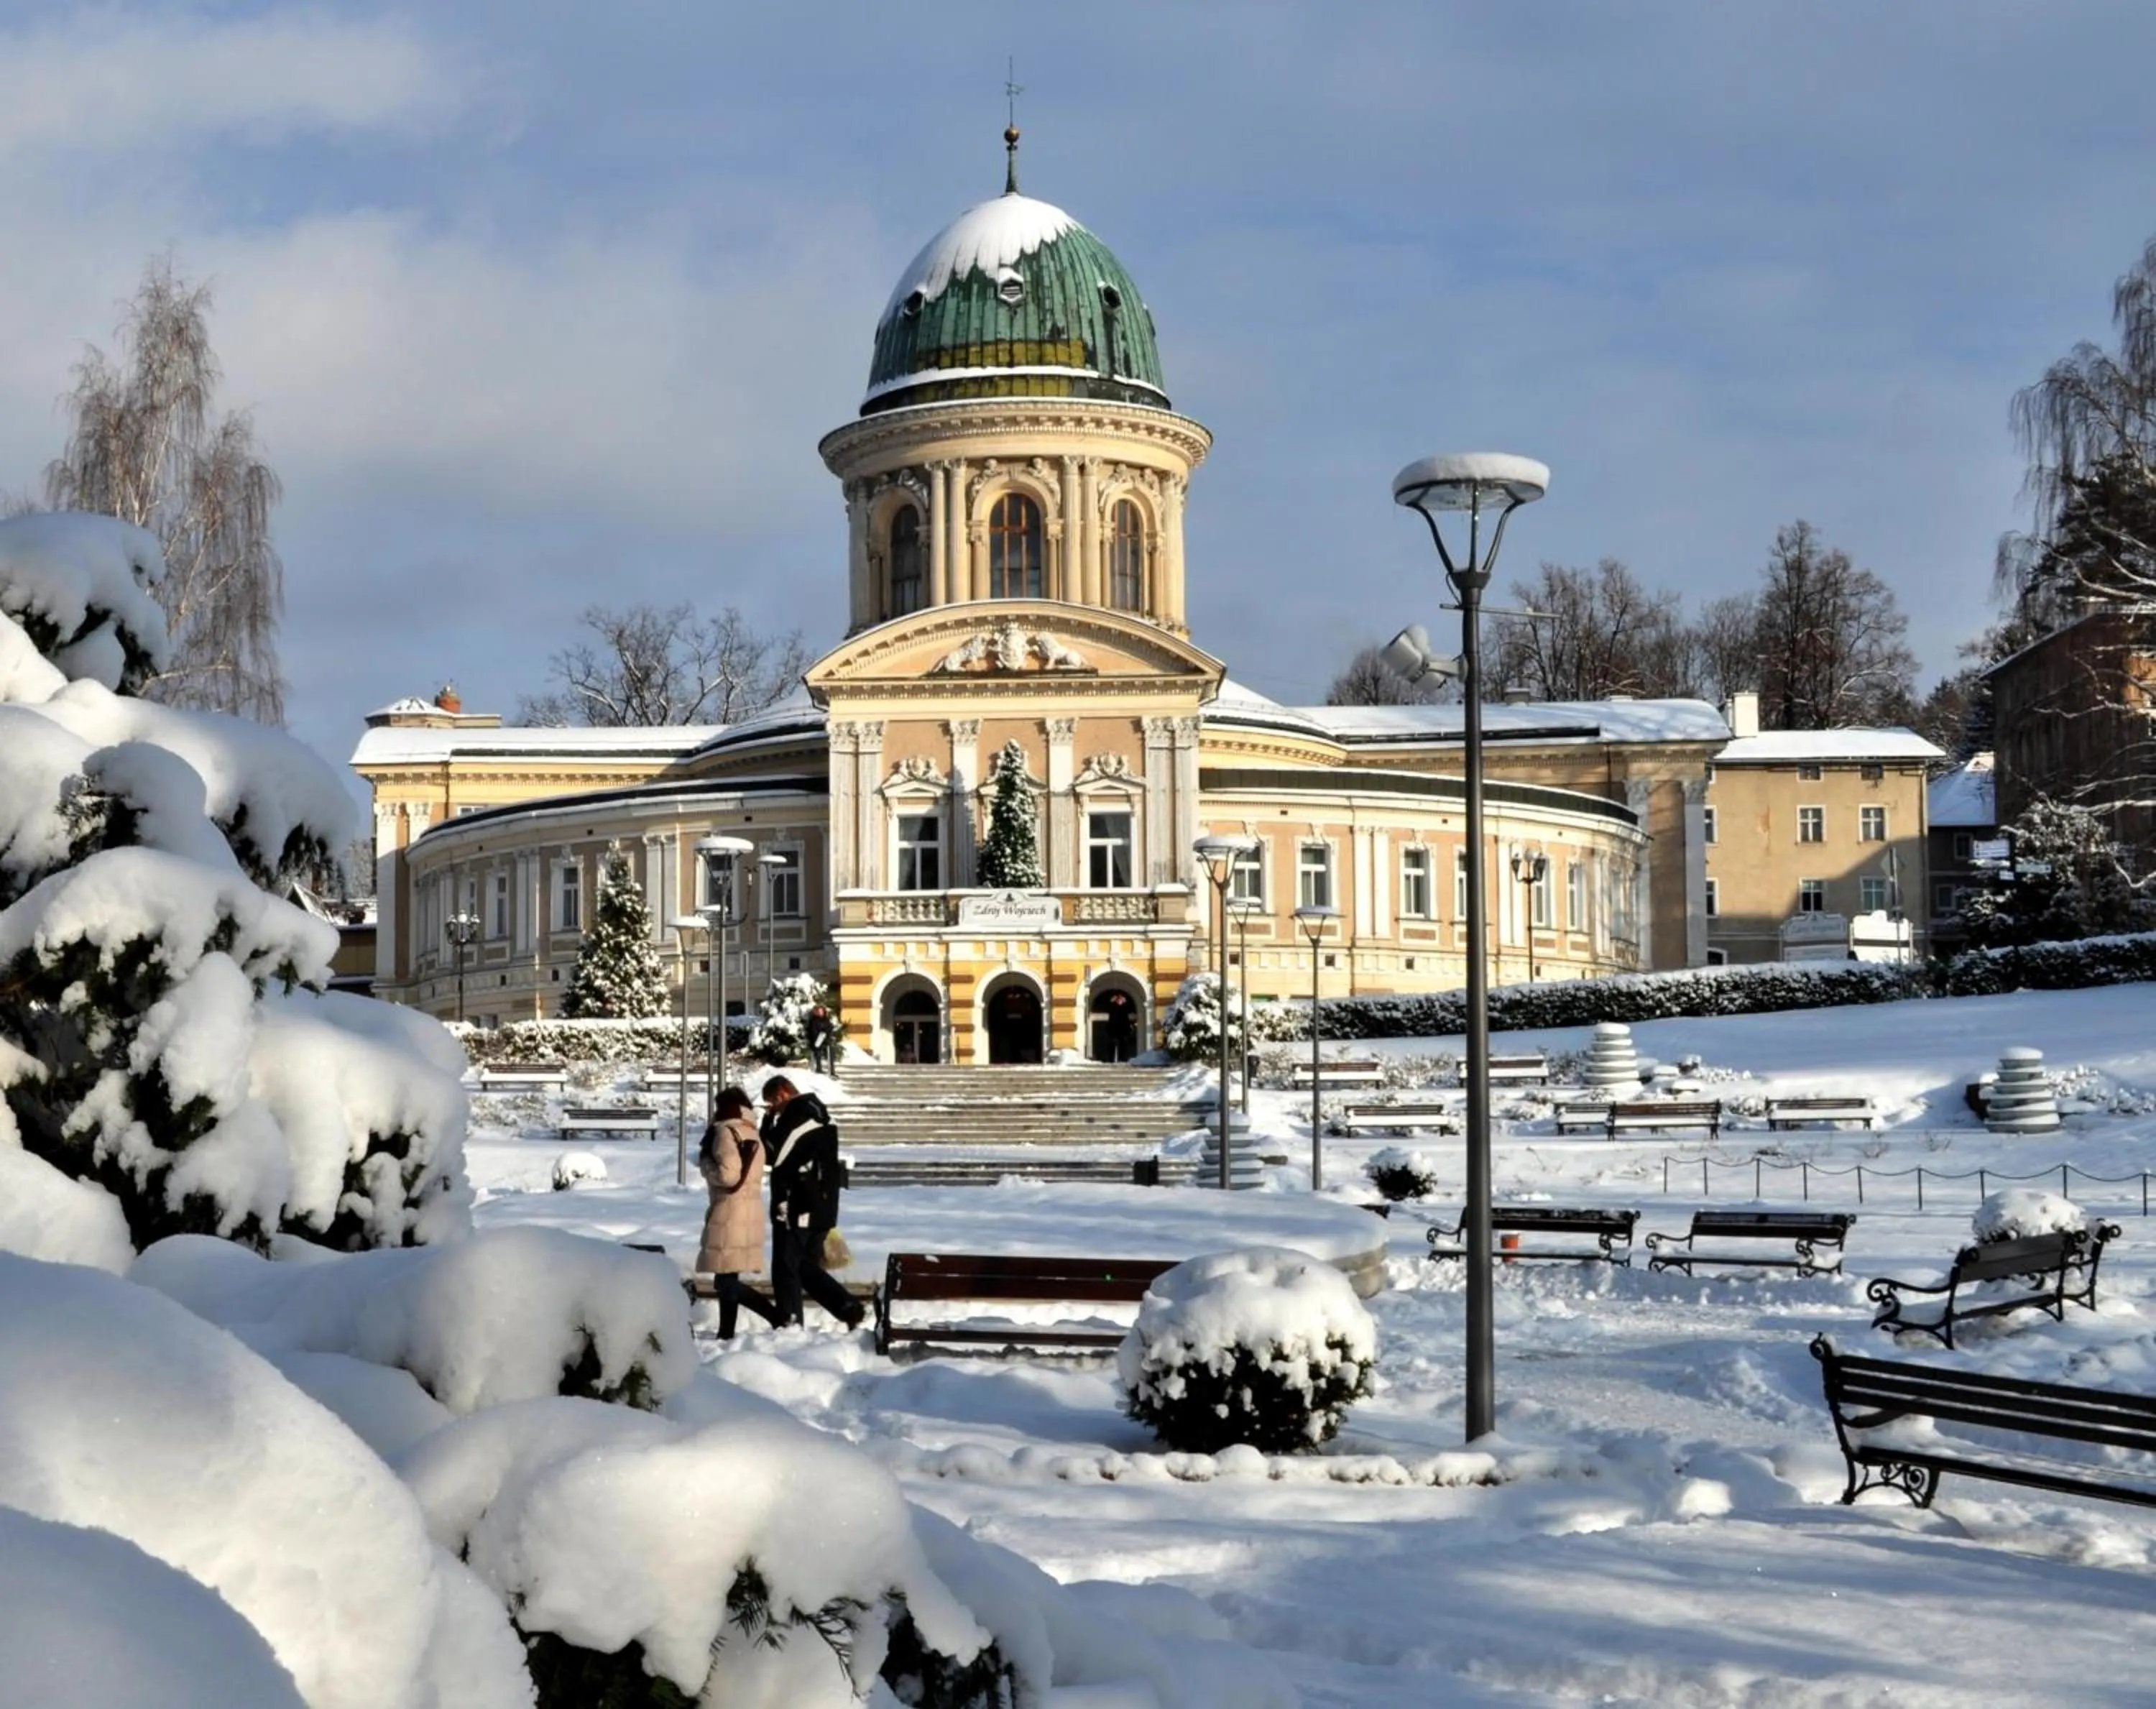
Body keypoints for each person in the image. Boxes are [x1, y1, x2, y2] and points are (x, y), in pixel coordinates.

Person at [760, 1074, 863, 1330]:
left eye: (772, 1102)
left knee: (788, 1267)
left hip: (797, 1204)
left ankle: (797, 1319)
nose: (773, 1108)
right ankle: (841, 1307)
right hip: (822, 1204)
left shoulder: (797, 1116)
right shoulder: (819, 1114)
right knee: (804, 1265)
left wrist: (766, 1121)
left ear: (783, 1094)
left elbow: (771, 1153)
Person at [696, 1087, 782, 1340]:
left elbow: (728, 1175)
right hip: (750, 1210)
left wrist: (706, 1164)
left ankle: (775, 1316)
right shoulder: (750, 1130)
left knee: (725, 1280)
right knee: (727, 1274)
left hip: (729, 1212)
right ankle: (726, 1332)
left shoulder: (725, 1132)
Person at [806, 1004, 836, 1077]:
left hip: (825, 1040)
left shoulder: (826, 1020)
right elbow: (812, 1032)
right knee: (818, 1050)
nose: (820, 1013)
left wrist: (826, 1034)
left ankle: (832, 1071)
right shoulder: (813, 1021)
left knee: (831, 1050)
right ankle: (819, 1068)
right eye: (818, 1011)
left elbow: (830, 1029)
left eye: (821, 1011)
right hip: (816, 1041)